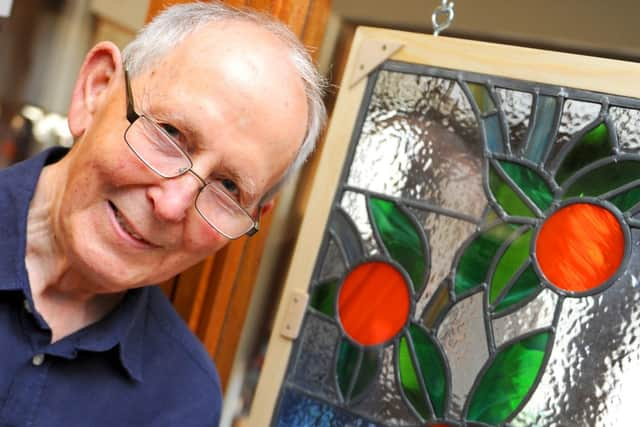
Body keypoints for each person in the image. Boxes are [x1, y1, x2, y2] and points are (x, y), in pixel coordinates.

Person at [0, 2, 326, 426]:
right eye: (170, 133)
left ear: (255, 214)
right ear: (95, 89)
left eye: (228, 187)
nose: (173, 205)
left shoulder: (184, 400)